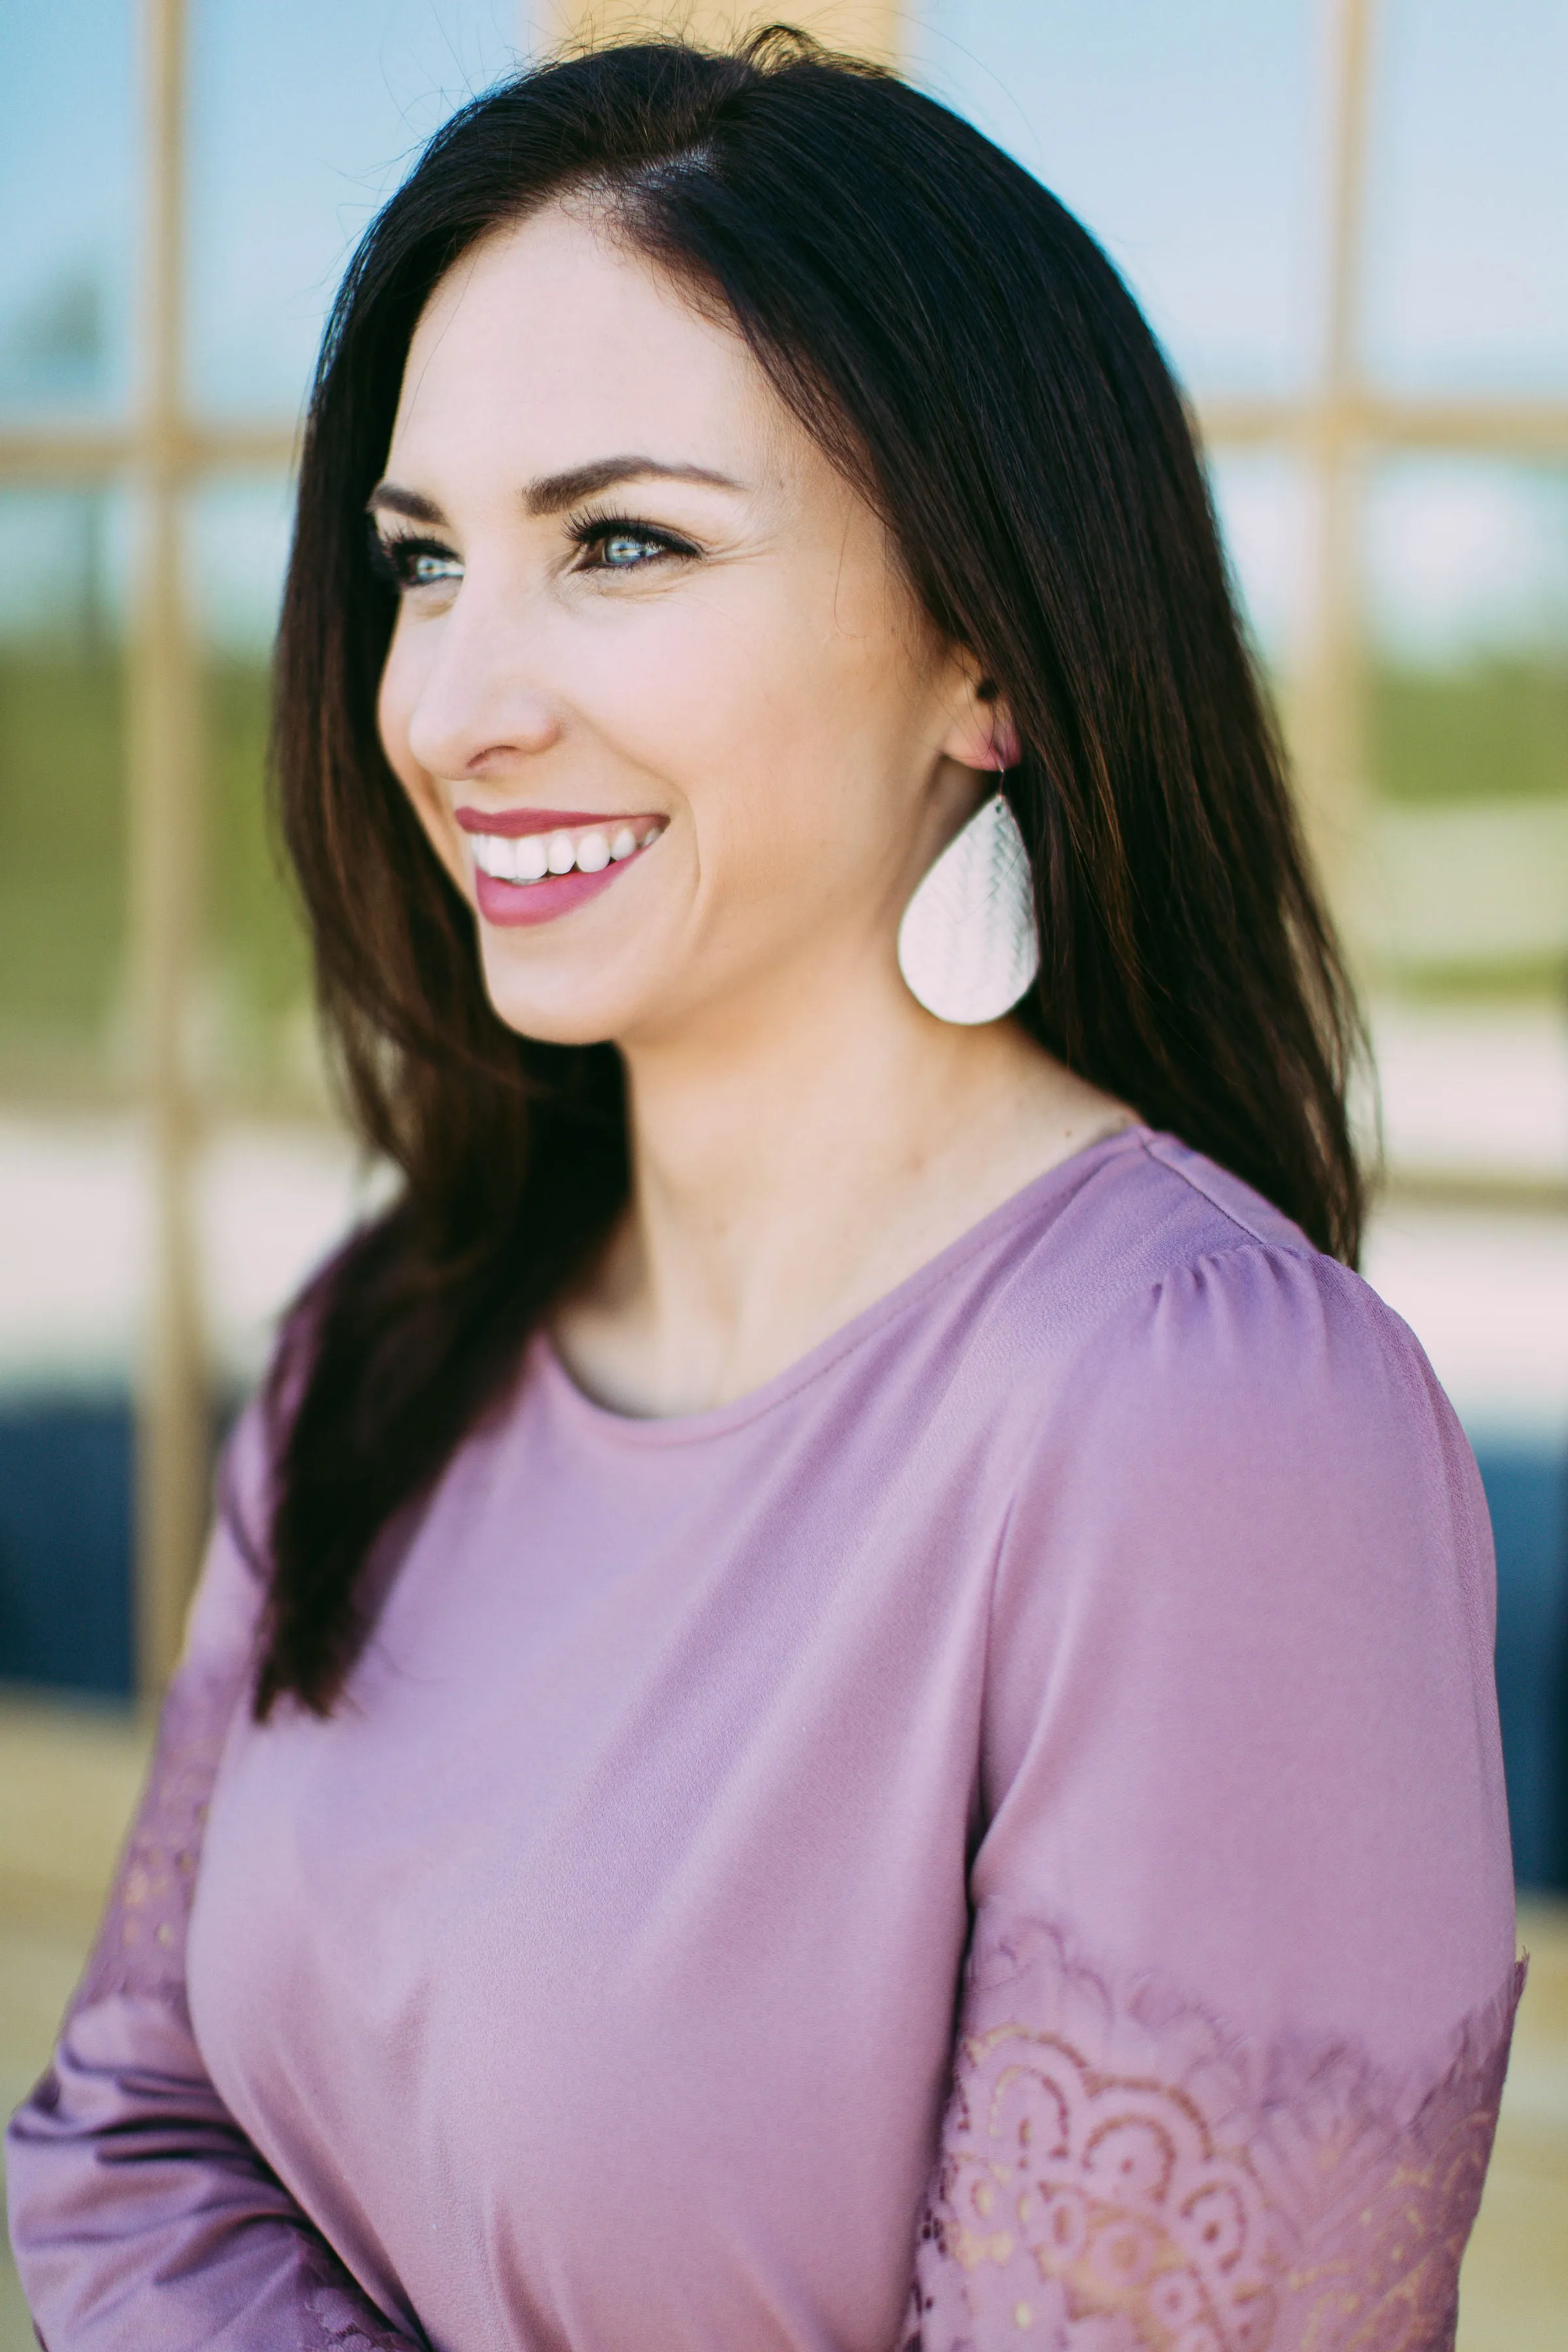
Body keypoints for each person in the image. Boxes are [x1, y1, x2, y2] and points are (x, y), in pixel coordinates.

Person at [8, 32, 1520, 2351]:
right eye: (426, 561)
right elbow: (127, 2139)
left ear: (986, 658)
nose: (455, 703)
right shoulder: (380, 1350)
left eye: (620, 543)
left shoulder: (1200, 1430)